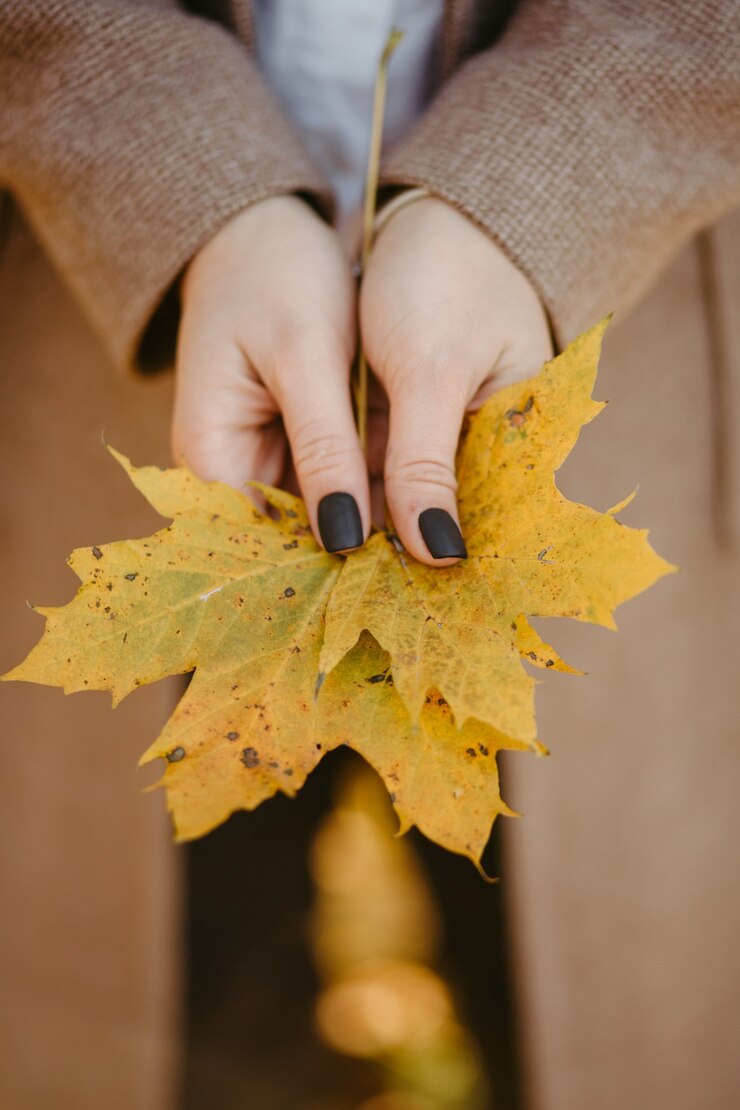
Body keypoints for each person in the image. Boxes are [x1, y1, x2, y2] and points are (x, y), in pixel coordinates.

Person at [1, 2, 739, 1107]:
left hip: (612, 332)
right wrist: (178, 182)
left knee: (600, 1010)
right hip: (124, 362)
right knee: (168, 1005)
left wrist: (533, 185)